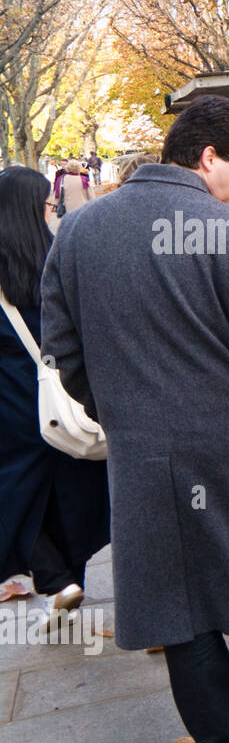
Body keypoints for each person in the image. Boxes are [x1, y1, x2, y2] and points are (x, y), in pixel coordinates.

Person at [40, 95, 229, 743]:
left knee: (177, 601)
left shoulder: (77, 233)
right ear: (207, 157)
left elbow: (62, 349)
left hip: (142, 455)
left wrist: (119, 408)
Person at [0, 166, 110, 622]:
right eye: (48, 204)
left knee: (16, 494)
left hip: (9, 405)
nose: (54, 210)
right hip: (65, 399)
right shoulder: (60, 258)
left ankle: (53, 579)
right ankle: (67, 582)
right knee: (72, 490)